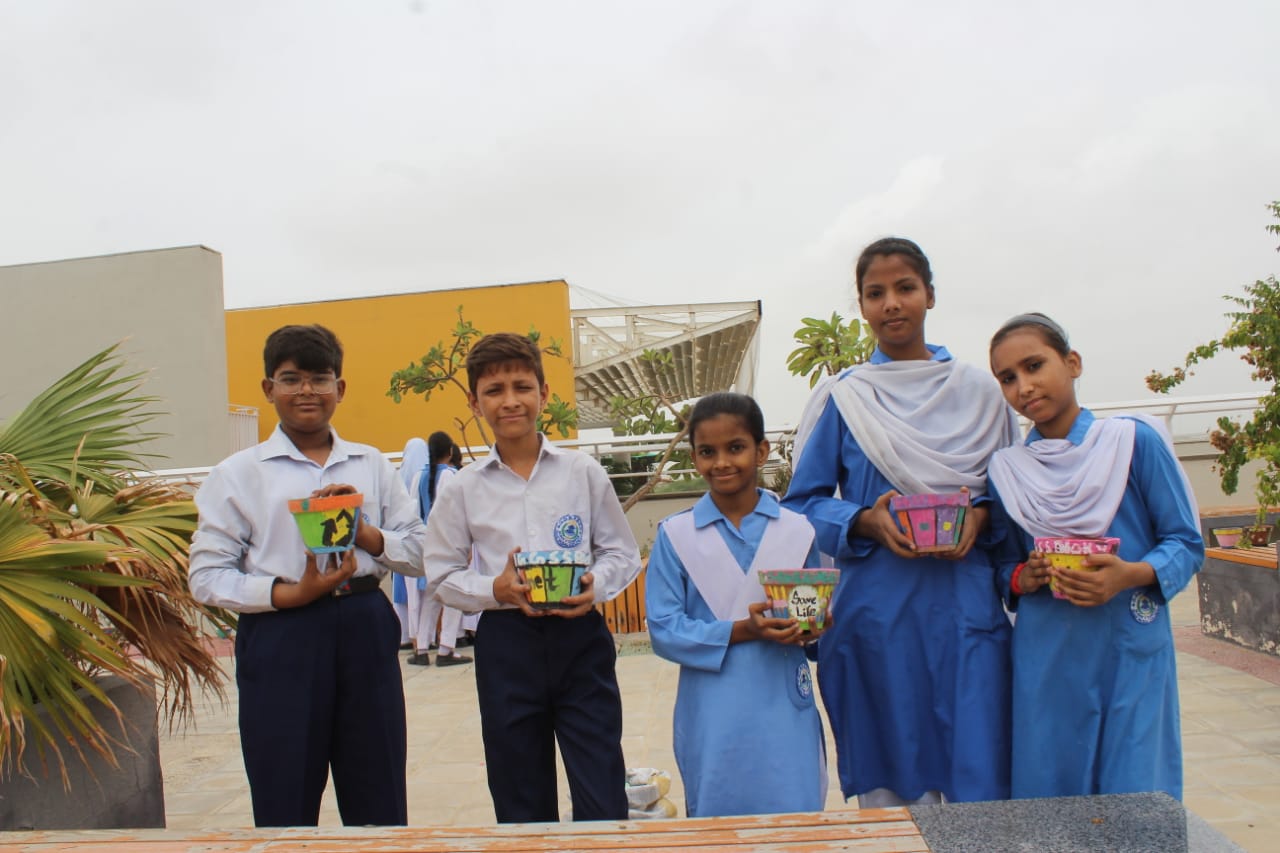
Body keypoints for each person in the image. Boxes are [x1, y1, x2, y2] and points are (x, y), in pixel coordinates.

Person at [783, 236, 1019, 807]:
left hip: (965, 612)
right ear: (862, 307)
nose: (892, 303)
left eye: (905, 288)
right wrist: (865, 521)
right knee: (893, 797)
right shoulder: (846, 398)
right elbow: (801, 506)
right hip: (876, 619)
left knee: (979, 784)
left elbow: (1016, 496)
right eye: (875, 293)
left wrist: (982, 517)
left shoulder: (981, 394)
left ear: (929, 295)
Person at [188, 324, 426, 827]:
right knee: (284, 790)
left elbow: (423, 550)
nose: (306, 391)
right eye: (290, 378)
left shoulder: (373, 466)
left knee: (378, 787)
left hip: (364, 623)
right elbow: (207, 577)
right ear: (268, 388)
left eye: (320, 378)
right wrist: (291, 593)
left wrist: (367, 535)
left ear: (340, 388)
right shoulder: (238, 474)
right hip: (282, 635)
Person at [422, 332, 642, 823]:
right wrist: (491, 589)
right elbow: (440, 573)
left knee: (601, 785)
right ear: (475, 403)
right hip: (506, 645)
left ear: (544, 394)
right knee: (519, 792)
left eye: (522, 386)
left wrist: (596, 586)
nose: (510, 401)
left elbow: (620, 551)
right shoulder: (463, 488)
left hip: (579, 638)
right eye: (494, 390)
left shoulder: (582, 472)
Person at [986, 312, 1204, 800]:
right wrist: (1027, 576)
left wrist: (1129, 574)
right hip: (1048, 656)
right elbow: (1001, 568)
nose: (1024, 386)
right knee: (1052, 802)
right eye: (1008, 378)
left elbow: (1186, 543)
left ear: (1073, 362)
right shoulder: (1008, 472)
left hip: (1130, 647)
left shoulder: (1131, 442)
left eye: (1035, 365)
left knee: (1138, 798)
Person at [647, 392, 827, 817]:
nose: (721, 462)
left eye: (736, 448)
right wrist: (744, 630)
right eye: (707, 452)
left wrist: (816, 628)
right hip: (712, 706)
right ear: (694, 458)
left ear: (761, 451)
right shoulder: (676, 535)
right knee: (719, 813)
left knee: (792, 813)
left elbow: (812, 617)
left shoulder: (798, 530)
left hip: (783, 699)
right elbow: (664, 629)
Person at [407, 431, 472, 666]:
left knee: (429, 597)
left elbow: (414, 512)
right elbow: (454, 513)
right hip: (448, 541)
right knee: (453, 593)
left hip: (424, 542)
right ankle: (446, 648)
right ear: (451, 452)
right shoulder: (452, 475)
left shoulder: (418, 476)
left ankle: (422, 648)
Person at [394, 436, 429, 651]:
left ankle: (405, 635)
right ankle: (424, 636)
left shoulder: (400, 477)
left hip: (398, 537)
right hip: (420, 537)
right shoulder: (427, 474)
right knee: (422, 593)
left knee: (404, 593)